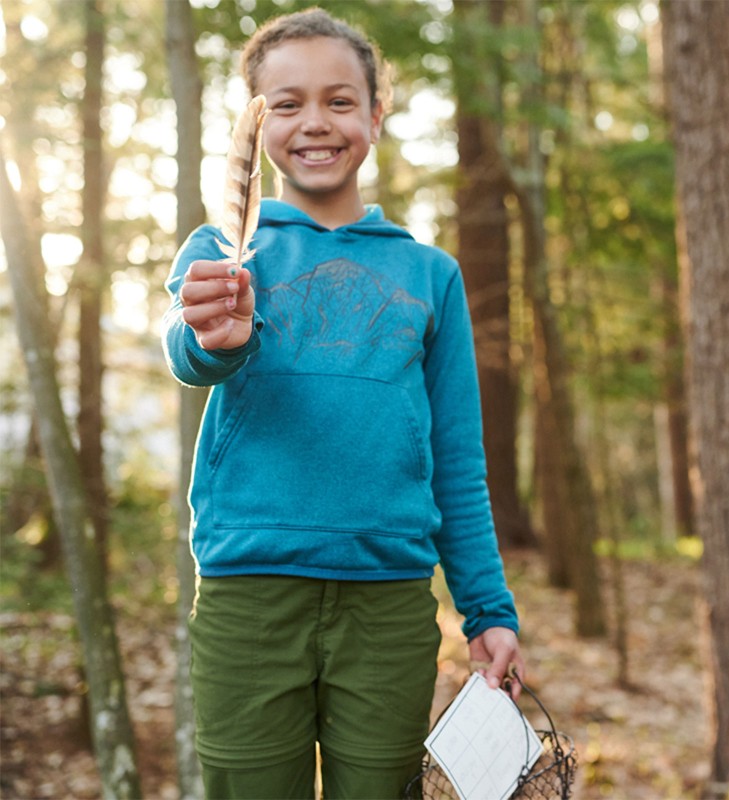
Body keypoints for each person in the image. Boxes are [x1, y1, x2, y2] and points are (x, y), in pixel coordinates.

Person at [162, 7, 525, 799]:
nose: (314, 122)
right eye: (285, 104)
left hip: (390, 605)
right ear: (255, 123)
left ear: (375, 115)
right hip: (249, 596)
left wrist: (487, 610)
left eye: (339, 99)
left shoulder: (430, 275)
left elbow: (457, 462)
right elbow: (190, 356)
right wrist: (217, 339)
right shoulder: (223, 250)